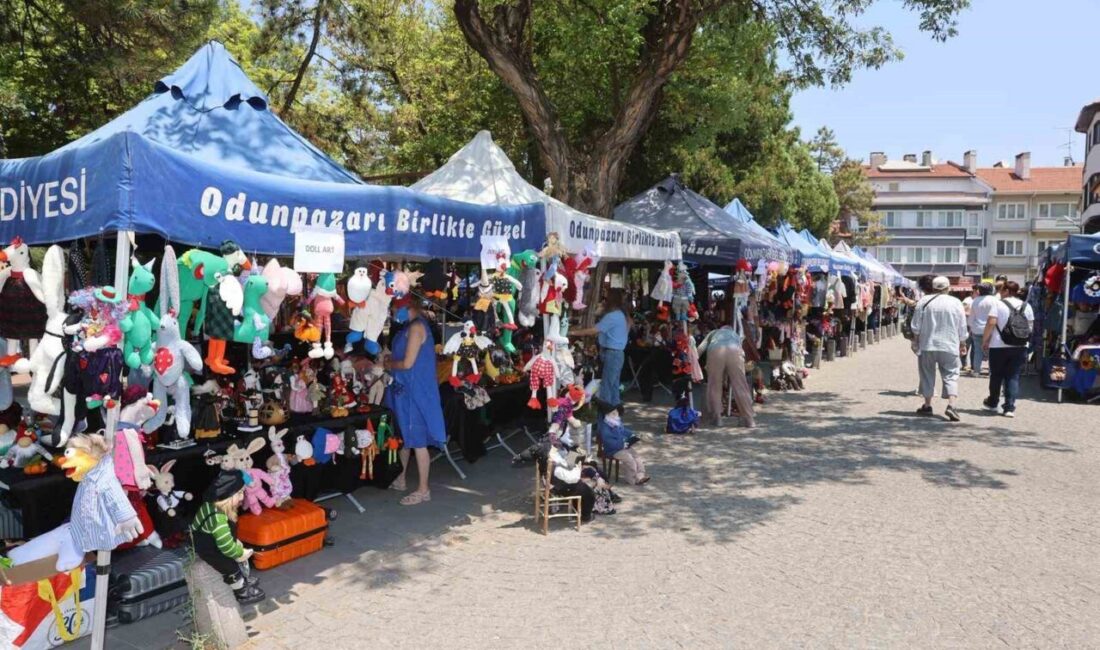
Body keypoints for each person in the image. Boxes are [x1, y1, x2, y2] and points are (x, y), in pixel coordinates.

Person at [386, 300, 447, 505]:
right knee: (404, 436)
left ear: (406, 308)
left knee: (418, 440)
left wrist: (388, 363)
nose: (393, 313)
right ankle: (401, 478)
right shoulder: (408, 327)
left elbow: (407, 363)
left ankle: (423, 489)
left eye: (394, 309)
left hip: (416, 391)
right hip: (404, 390)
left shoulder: (417, 327)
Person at [190, 470, 265, 605]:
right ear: (228, 495)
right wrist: (239, 553)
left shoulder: (214, 504)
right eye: (240, 493)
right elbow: (226, 547)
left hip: (214, 537)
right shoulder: (217, 518)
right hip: (207, 546)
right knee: (229, 566)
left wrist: (234, 541)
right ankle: (241, 590)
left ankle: (242, 577)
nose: (243, 498)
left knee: (231, 526)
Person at [910, 276, 967, 421]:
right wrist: (963, 343)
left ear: (934, 287)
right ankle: (952, 405)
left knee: (927, 374)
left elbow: (916, 325)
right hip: (950, 344)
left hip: (927, 344)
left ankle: (927, 405)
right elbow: (962, 325)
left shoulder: (923, 301)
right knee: (951, 375)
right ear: (948, 288)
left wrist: (915, 342)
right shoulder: (956, 302)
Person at [982, 280, 1034, 417]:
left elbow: (991, 322)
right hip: (1020, 345)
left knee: (996, 375)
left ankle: (993, 402)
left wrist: (985, 340)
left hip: (998, 345)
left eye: (1001, 290)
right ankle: (1009, 407)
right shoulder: (1026, 305)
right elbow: (1030, 327)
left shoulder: (998, 304)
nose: (999, 292)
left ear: (1005, 290)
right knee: (1013, 376)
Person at [571, 289, 630, 409]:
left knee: (607, 387)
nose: (604, 300)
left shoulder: (612, 316)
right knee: (613, 386)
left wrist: (573, 332)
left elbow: (594, 330)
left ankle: (606, 417)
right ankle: (614, 414)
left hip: (612, 353)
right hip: (616, 353)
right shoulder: (620, 315)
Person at [697, 323, 755, 428]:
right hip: (735, 350)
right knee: (740, 385)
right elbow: (743, 353)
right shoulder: (735, 335)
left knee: (714, 384)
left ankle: (717, 418)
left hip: (715, 351)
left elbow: (700, 349)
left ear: (721, 328)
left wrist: (691, 361)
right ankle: (749, 419)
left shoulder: (713, 333)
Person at [966, 283, 995, 376]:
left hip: (977, 329)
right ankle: (991, 371)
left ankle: (976, 371)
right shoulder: (994, 300)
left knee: (978, 350)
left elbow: (972, 317)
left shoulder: (975, 301)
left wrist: (970, 327)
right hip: (991, 329)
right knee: (992, 351)